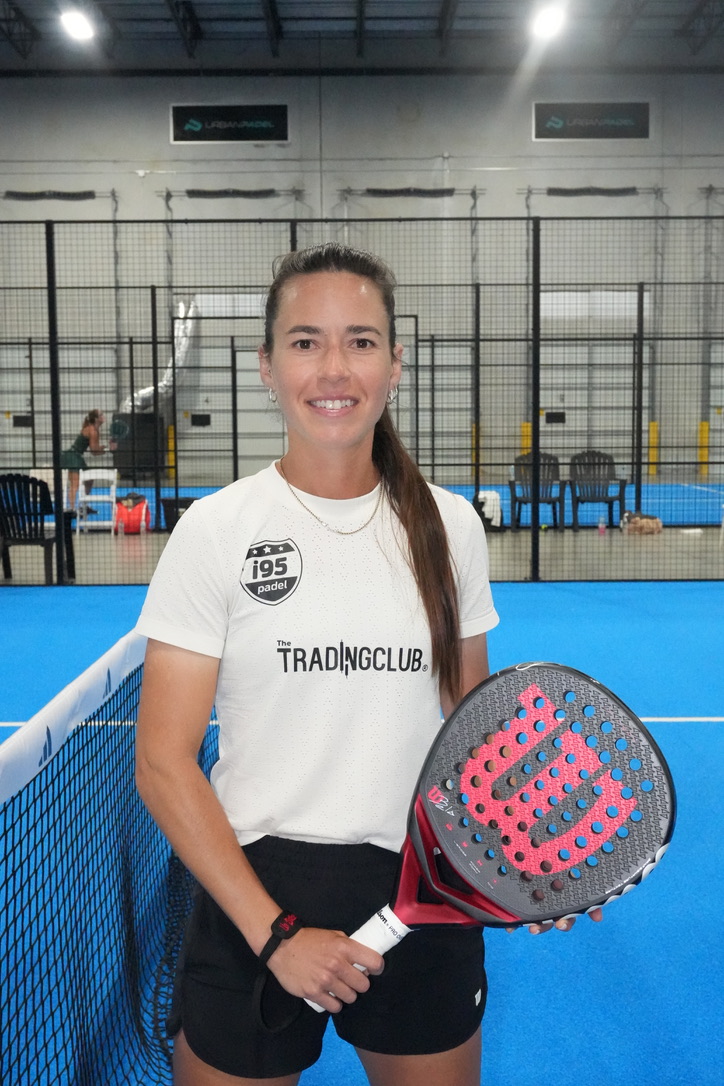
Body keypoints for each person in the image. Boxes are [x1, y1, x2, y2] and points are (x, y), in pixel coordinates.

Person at [134, 243, 596, 1086]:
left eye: (361, 340)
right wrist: (274, 934)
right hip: (251, 889)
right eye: (305, 342)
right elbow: (164, 763)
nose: (333, 368)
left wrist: (530, 854)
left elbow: (474, 733)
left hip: (423, 883)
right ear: (267, 367)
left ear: (395, 363)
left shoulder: (451, 528)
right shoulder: (215, 530)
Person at [60, 409, 114, 510]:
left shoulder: (95, 429)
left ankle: (84, 506)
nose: (103, 416)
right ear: (96, 419)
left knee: (89, 480)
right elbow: (94, 451)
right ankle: (72, 510)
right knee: (74, 484)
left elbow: (95, 449)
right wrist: (107, 449)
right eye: (101, 415)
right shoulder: (93, 430)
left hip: (77, 456)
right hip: (72, 456)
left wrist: (105, 448)